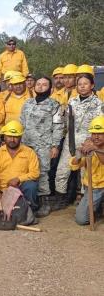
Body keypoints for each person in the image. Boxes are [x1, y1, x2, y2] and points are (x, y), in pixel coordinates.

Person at [53, 72, 104, 208]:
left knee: (84, 172)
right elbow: (65, 121)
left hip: (88, 142)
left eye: (85, 84)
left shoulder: (98, 104)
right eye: (79, 84)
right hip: (70, 141)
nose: (82, 87)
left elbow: (100, 126)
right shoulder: (71, 101)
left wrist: (92, 143)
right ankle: (61, 197)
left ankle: (82, 198)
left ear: (92, 85)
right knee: (62, 170)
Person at [20, 76, 64, 216]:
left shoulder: (55, 105)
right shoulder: (27, 103)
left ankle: (44, 201)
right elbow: (21, 123)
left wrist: (55, 146)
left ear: (50, 89)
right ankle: (28, 200)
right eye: (38, 84)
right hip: (26, 144)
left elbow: (58, 127)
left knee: (43, 173)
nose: (40, 86)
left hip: (44, 145)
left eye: (44, 84)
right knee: (26, 171)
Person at [0, 121, 40, 212]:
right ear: (4, 137)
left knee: (31, 186)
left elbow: (35, 173)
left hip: (21, 190)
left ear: (21, 137)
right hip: (3, 191)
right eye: (9, 136)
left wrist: (18, 179)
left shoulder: (29, 152)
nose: (12, 140)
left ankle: (30, 210)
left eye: (16, 137)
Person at [71, 116, 104, 225]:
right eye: (94, 133)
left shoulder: (93, 147)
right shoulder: (88, 146)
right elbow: (74, 165)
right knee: (81, 219)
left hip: (102, 187)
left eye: (100, 133)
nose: (96, 137)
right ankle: (97, 208)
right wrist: (79, 155)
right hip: (91, 188)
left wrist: (96, 149)